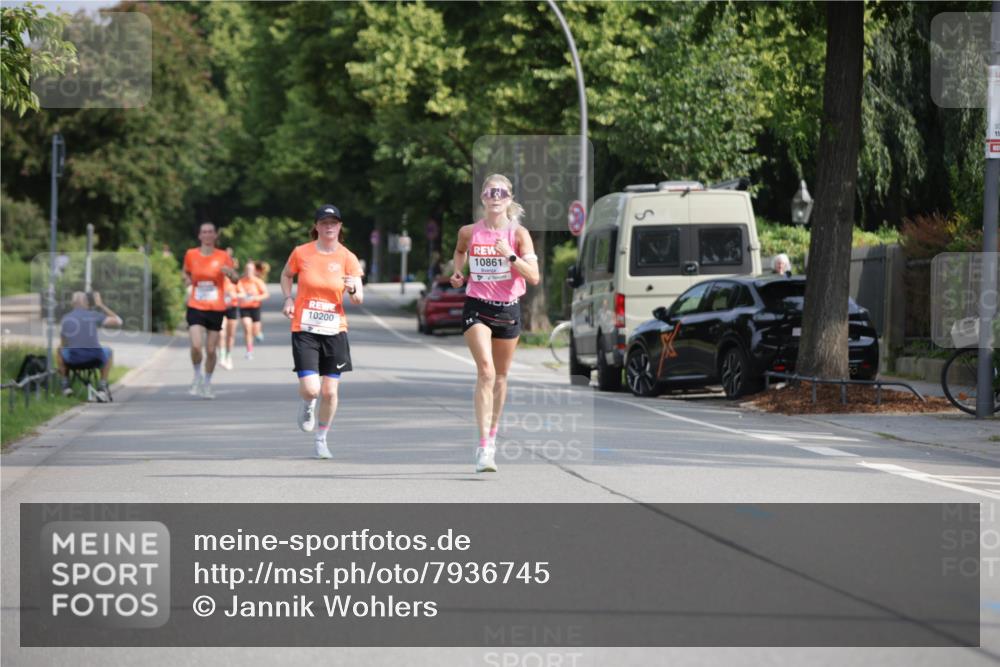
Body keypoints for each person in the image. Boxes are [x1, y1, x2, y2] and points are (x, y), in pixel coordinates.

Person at [449, 174, 540, 473]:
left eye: (502, 192)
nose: (496, 196)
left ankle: (492, 435)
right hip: (477, 306)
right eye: (490, 191)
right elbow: (460, 251)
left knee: (501, 376)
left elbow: (534, 276)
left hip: (508, 310)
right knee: (486, 372)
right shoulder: (469, 231)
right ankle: (483, 447)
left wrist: (509, 255)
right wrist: (458, 272)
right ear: (483, 198)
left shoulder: (519, 234)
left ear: (509, 199)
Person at [281, 204, 364, 459]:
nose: (330, 227)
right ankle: (307, 404)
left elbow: (358, 299)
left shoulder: (348, 257)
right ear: (316, 227)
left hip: (334, 329)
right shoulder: (301, 253)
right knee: (312, 389)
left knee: (330, 391)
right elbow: (286, 275)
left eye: (334, 222)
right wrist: (288, 298)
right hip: (305, 328)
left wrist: (352, 289)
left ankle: (322, 438)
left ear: (340, 227)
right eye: (324, 222)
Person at [183, 222, 239, 399]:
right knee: (196, 346)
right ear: (199, 236)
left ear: (215, 235)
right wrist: (186, 280)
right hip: (196, 306)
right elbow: (185, 272)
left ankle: (207, 383)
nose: (207, 235)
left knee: (211, 349)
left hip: (216, 308)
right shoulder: (191, 254)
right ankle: (196, 375)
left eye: (210, 232)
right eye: (204, 232)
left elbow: (236, 279)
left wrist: (230, 273)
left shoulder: (223, 256)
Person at [57, 291, 123, 400]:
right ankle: (102, 387)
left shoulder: (66, 318)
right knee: (109, 351)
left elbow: (63, 343)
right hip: (95, 358)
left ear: (72, 304)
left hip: (74, 360)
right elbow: (118, 321)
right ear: (86, 303)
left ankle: (65, 385)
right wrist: (100, 305)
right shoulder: (94, 315)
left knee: (60, 351)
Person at [238, 260, 270, 359]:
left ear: (254, 271)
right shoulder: (240, 281)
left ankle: (258, 333)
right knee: (247, 328)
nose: (249, 271)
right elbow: (237, 292)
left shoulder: (258, 281)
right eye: (247, 269)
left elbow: (266, 294)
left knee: (255, 331)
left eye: (251, 269)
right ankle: (249, 351)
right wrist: (241, 295)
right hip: (244, 308)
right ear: (244, 270)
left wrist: (256, 298)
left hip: (255, 308)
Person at [219, 273, 243, 370]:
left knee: (230, 335)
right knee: (221, 332)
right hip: (220, 309)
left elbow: (243, 293)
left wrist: (234, 295)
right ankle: (222, 356)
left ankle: (228, 356)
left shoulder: (235, 280)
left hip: (232, 308)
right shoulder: (217, 280)